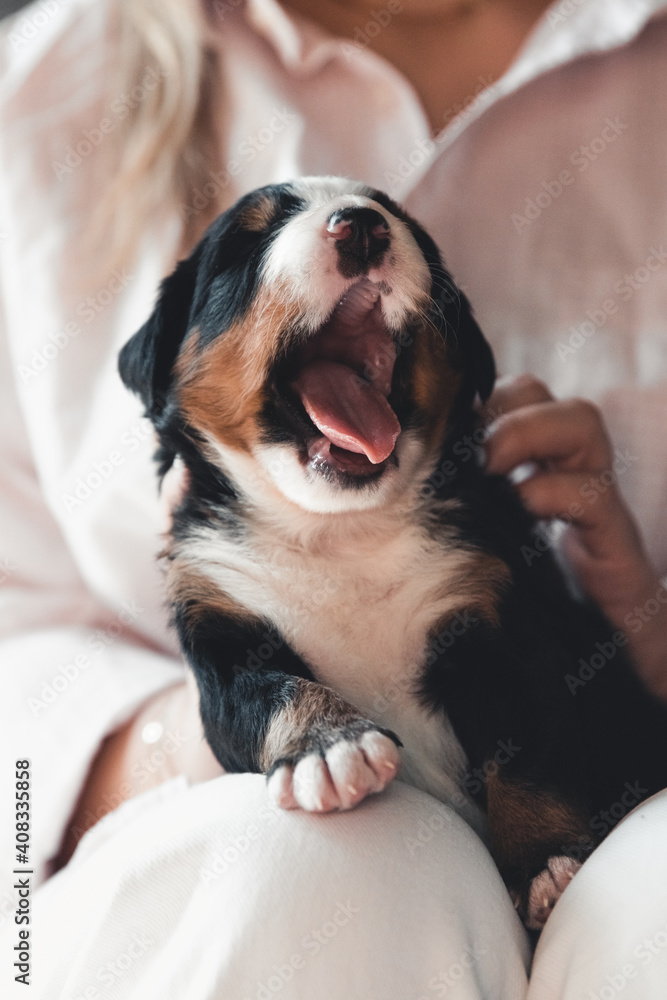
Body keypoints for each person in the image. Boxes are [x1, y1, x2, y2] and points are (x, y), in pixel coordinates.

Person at [1, 0, 666, 995]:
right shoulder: (45, 86)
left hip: (627, 799)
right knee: (312, 870)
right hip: (196, 867)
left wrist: (641, 641)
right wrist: (222, 724)